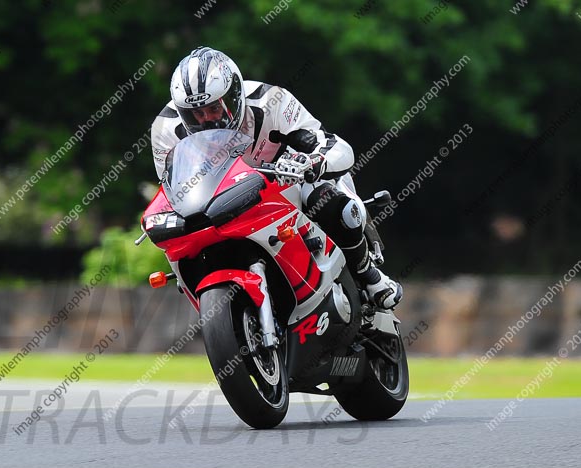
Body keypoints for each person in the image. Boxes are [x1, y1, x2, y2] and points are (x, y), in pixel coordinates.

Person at [150, 46, 402, 310]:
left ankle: (369, 275)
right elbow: (173, 190)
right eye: (196, 114)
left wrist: (314, 161)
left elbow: (332, 145)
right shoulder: (166, 129)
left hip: (284, 184)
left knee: (328, 200)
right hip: (221, 206)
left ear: (234, 96)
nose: (207, 120)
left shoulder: (270, 101)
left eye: (214, 108)